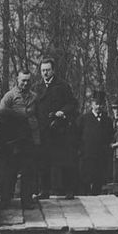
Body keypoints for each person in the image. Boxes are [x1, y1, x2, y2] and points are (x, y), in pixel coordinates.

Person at [35, 57, 78, 199]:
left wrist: (63, 112)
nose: (45, 73)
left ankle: (69, 190)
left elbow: (72, 104)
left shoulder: (63, 86)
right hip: (44, 130)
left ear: (53, 70)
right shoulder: (37, 87)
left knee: (64, 161)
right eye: (43, 70)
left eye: (47, 70)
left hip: (60, 130)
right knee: (43, 161)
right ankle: (44, 190)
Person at [0, 68, 40, 208]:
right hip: (14, 140)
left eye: (28, 81)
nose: (25, 84)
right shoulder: (9, 96)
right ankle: (6, 200)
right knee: (11, 170)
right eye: (23, 81)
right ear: (17, 80)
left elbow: (38, 116)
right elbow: (1, 116)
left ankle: (27, 200)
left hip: (29, 138)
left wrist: (37, 139)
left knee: (28, 171)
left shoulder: (34, 97)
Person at [77, 91, 113, 195]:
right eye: (96, 104)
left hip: (101, 156)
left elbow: (110, 136)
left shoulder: (107, 120)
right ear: (92, 104)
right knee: (85, 180)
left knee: (99, 181)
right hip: (87, 155)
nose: (98, 106)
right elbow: (77, 136)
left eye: (101, 104)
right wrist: (81, 150)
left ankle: (96, 196)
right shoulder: (83, 119)